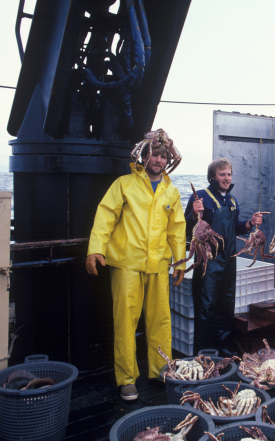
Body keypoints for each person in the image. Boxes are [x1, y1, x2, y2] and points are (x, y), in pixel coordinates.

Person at [85, 129, 186, 401]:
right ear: (145, 156)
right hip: (127, 263)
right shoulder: (124, 184)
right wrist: (95, 249)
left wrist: (179, 261)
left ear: (168, 160)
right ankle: (127, 379)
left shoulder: (172, 191)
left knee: (161, 320)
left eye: (163, 156)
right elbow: (105, 216)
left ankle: (161, 369)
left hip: (158, 265)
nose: (159, 160)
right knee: (125, 321)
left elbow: (177, 229)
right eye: (154, 154)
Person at [184, 158, 263, 355]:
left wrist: (249, 224)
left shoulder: (232, 200)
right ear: (212, 177)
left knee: (226, 303)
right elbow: (187, 228)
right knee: (206, 306)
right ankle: (205, 351)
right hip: (208, 261)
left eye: (229, 174)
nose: (226, 178)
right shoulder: (200, 196)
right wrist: (194, 215)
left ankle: (224, 347)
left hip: (229, 260)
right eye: (222, 174)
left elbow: (235, 227)